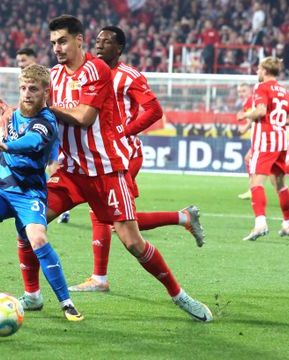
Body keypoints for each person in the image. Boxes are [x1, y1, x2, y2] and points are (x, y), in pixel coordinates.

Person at [0, 15, 212, 322]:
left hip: (106, 170)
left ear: (79, 40)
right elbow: (35, 112)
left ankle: (179, 295)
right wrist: (13, 112)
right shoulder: (53, 76)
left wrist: (44, 108)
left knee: (133, 242)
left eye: (62, 41)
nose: (57, 48)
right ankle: (32, 295)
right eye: (53, 43)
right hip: (71, 172)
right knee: (28, 224)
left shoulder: (96, 70)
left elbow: (84, 116)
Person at [68, 26, 206, 293]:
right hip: (101, 154)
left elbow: (154, 110)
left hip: (124, 154)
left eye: (106, 42)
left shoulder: (129, 76)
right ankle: (100, 277)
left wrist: (123, 131)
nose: (99, 46)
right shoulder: (89, 73)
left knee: (116, 219)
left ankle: (100, 277)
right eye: (97, 41)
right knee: (109, 216)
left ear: (118, 48)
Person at [0, 64, 84, 321]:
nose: (27, 93)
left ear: (45, 93)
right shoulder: (15, 112)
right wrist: (7, 109)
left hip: (30, 192)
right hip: (2, 185)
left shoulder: (46, 121)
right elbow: (17, 115)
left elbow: (32, 142)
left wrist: (7, 146)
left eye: (33, 89)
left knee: (37, 239)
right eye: (23, 88)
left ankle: (66, 303)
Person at [238, 57, 289, 240]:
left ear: (265, 71)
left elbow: (261, 111)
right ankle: (287, 224)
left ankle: (260, 224)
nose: (257, 72)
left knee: (256, 182)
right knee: (280, 184)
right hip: (281, 140)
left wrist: (245, 115)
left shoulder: (262, 88)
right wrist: (276, 121)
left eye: (258, 69)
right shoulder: (285, 92)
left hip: (265, 140)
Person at [16, 47, 71, 224]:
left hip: (45, 126)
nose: (20, 64)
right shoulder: (27, 80)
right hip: (32, 126)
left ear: (33, 59)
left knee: (51, 163)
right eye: (19, 61)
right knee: (43, 164)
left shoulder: (48, 78)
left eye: (23, 60)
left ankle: (61, 204)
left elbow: (54, 101)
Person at [236, 83, 255, 200]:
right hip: (258, 137)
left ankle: (252, 190)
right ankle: (252, 190)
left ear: (249, 91)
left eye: (244, 91)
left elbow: (255, 117)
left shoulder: (250, 101)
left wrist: (245, 127)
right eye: (239, 92)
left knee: (249, 159)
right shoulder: (246, 103)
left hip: (261, 138)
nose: (241, 94)